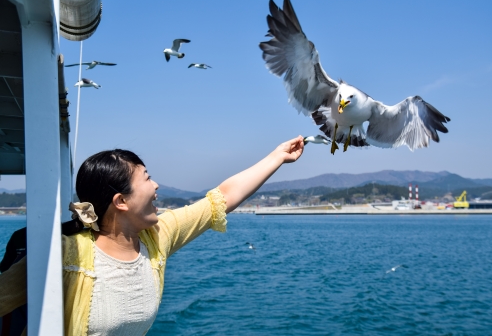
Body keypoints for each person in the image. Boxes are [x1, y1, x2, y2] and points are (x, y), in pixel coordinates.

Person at [0, 135, 304, 336]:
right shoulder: (64, 257)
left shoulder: (155, 238)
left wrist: (277, 157)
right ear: (121, 201)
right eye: (147, 178)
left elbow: (221, 198)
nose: (157, 186)